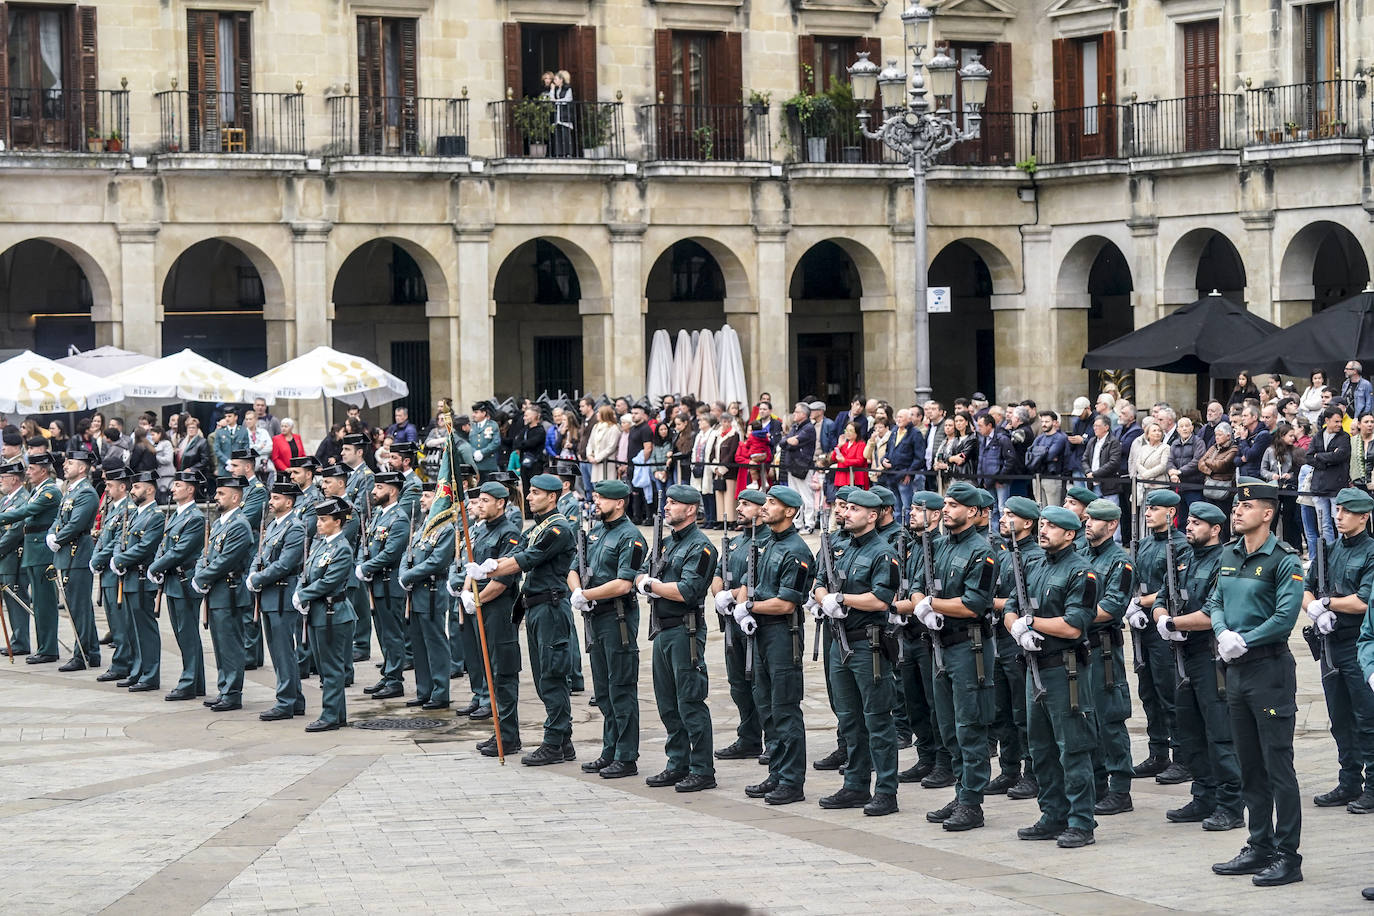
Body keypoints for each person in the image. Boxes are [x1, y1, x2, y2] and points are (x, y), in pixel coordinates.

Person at [1207, 477, 1304, 887]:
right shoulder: (1228, 553)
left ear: (1268, 513)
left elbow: (1284, 618)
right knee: (1249, 765)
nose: (1237, 512)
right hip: (1236, 670)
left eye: (1246, 507)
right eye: (1235, 507)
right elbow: (1214, 600)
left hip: (1269, 670)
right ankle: (1258, 844)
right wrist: (1221, 631)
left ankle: (1288, 855)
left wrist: (1243, 638)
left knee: (1277, 765)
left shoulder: (1284, 559)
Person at [1002, 505, 1099, 848]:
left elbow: (1073, 626)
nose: (1043, 531)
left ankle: (1081, 821)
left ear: (1070, 534)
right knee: (1040, 748)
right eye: (1041, 525)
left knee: (1072, 748)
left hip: (1065, 670)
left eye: (1051, 527)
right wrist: (1016, 627)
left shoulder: (1081, 572)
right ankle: (1052, 814)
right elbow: (1011, 605)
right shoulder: (1032, 564)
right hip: (1033, 665)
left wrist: (1033, 624)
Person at [465, 472, 577, 767]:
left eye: (536, 493)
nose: (528, 497)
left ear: (552, 496)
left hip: (551, 608)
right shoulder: (538, 527)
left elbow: (526, 559)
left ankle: (554, 742)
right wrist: (492, 564)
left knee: (552, 677)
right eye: (530, 492)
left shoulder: (558, 529)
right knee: (544, 678)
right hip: (536, 607)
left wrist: (489, 571)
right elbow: (517, 552)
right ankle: (562, 742)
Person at [910, 481, 996, 832]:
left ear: (973, 512)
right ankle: (962, 792)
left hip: (968, 647)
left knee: (969, 726)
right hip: (939, 645)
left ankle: (972, 802)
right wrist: (921, 604)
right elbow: (917, 584)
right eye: (944, 503)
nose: (946, 509)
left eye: (954, 504)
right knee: (948, 727)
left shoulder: (982, 551)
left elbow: (975, 602)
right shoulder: (937, 545)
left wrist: (933, 604)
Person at [811, 487, 902, 816]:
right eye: (845, 508)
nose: (846, 513)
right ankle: (855, 784)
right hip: (839, 640)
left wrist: (843, 600)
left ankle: (886, 791)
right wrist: (824, 599)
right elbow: (819, 580)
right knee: (849, 719)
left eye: (853, 509)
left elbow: (881, 599)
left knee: (877, 720)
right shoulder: (838, 546)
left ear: (872, 515)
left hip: (868, 644)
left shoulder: (884, 553)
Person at [636, 483, 717, 792]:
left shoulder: (702, 547)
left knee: (690, 701)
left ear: (691, 509)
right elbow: (639, 574)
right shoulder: (666, 542)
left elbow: (688, 591)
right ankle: (677, 763)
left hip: (686, 630)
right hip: (663, 630)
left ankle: (702, 769)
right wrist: (648, 582)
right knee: (667, 703)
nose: (667, 507)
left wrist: (652, 585)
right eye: (666, 502)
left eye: (673, 503)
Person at [737, 486, 813, 806]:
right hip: (761, 634)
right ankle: (778, 773)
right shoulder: (765, 543)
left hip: (783, 634)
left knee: (785, 709)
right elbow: (748, 584)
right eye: (766, 502)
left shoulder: (797, 551)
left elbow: (785, 604)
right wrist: (744, 607)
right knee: (767, 706)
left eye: (772, 503)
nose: (765, 507)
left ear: (791, 512)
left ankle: (792, 781)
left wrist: (750, 609)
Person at [1301, 487, 1374, 812]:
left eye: (1346, 511)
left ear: (1364, 516)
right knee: (1338, 718)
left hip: (1359, 645)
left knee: (1367, 718)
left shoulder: (1371, 552)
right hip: (1330, 644)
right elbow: (1305, 588)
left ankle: (1371, 786)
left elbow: (1363, 601)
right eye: (1338, 510)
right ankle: (1348, 782)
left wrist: (1328, 603)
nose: (1339, 516)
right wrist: (1314, 608)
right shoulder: (1327, 550)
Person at [571, 478, 647, 779]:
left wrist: (586, 595)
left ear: (620, 503)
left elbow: (624, 583)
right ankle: (610, 749)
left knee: (621, 688)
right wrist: (578, 591)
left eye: (602, 498)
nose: (596, 502)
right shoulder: (595, 532)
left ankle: (626, 756)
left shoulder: (631, 536)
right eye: (595, 497)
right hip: (595, 617)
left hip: (618, 620)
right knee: (603, 690)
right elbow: (575, 567)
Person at [451, 480, 524, 751]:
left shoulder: (509, 533)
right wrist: (467, 593)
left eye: (484, 500)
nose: (478, 505)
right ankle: (500, 731)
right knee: (488, 672)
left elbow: (504, 578)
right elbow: (473, 569)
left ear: (501, 503)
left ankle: (509, 737)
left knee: (503, 673)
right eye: (477, 500)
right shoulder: (480, 531)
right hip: (479, 605)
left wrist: (478, 599)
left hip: (499, 610)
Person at [1126, 488, 1192, 784]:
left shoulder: (1180, 545)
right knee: (1148, 691)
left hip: (1165, 625)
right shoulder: (1144, 544)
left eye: (1154, 509)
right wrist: (1132, 604)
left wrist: (1141, 602)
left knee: (1170, 691)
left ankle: (1183, 755)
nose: (1148, 513)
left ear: (1171, 513)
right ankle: (1157, 753)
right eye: (1147, 509)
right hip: (1143, 626)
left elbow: (1175, 588)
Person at [1081, 498, 1136, 817]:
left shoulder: (1120, 562)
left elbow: (1112, 607)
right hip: (1082, 645)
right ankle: (1098, 781)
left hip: (1103, 647)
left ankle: (1120, 788)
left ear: (1112, 525)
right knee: (1087, 716)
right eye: (1086, 518)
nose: (1087, 523)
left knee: (1110, 717)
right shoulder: (1081, 555)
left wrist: (1073, 618)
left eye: (1094, 519)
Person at [987, 496, 1043, 801]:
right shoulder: (1004, 553)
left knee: (1024, 712)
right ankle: (1008, 770)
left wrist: (984, 602)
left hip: (1018, 641)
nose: (1003, 517)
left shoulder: (1034, 556)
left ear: (1027, 523)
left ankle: (1032, 772)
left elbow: (1021, 603)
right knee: (1001, 711)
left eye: (1011, 515)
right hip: (998, 637)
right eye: (1003, 512)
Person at [711, 488, 770, 762]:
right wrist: (720, 596)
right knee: (738, 684)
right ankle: (748, 737)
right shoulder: (734, 543)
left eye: (746, 504)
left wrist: (732, 596)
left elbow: (754, 583)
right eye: (739, 504)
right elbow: (717, 575)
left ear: (762, 509)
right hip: (731, 622)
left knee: (761, 685)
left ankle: (773, 741)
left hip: (755, 622)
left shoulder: (768, 542)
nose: (739, 508)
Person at [293, 496, 358, 732]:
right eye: (318, 519)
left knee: (331, 669)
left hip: (334, 614)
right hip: (319, 613)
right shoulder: (322, 544)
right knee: (325, 667)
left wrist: (304, 595)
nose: (318, 524)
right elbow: (307, 571)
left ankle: (330, 715)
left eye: (323, 519)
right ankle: (337, 714)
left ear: (338, 522)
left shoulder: (341, 549)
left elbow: (329, 582)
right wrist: (301, 591)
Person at [192, 475, 255, 712]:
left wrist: (203, 577)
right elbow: (206, 554)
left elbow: (227, 560)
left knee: (230, 644)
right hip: (217, 590)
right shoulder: (219, 523)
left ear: (236, 497)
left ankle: (233, 692)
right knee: (219, 644)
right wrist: (200, 573)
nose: (216, 497)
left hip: (229, 591)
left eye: (221, 494)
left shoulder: (240, 524)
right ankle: (224, 688)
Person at [247, 481, 308, 721]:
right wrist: (253, 574)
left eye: (276, 498)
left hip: (282, 593)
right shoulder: (273, 525)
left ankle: (286, 701)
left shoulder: (295, 527)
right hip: (270, 594)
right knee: (278, 651)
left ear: (289, 502)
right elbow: (260, 555)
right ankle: (295, 700)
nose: (270, 502)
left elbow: (285, 564)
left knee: (283, 652)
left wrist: (258, 578)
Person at [148, 471, 208, 700]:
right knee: (182, 633)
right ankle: (196, 682)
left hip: (183, 582)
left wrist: (155, 567)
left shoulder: (194, 517)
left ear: (190, 489)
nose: (172, 489)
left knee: (187, 634)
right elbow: (165, 545)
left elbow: (180, 551)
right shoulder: (176, 514)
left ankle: (189, 682)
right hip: (173, 580)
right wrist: (159, 564)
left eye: (178, 485)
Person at [397, 484, 455, 712]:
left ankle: (440, 692)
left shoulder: (446, 529)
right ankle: (424, 690)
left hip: (432, 592)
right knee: (418, 644)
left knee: (435, 643)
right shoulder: (422, 528)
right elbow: (407, 554)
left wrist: (409, 575)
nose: (422, 500)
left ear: (439, 499)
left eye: (427, 496)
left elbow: (437, 561)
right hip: (415, 592)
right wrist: (403, 573)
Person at [356, 471, 411, 700]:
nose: (374, 491)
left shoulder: (399, 518)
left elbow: (391, 553)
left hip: (389, 585)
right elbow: (364, 543)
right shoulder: (378, 515)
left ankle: (395, 679)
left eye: (379, 487)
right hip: (376, 583)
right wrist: (361, 563)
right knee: (381, 633)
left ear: (393, 490)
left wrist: (367, 568)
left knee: (392, 634)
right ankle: (388, 673)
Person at [111, 471, 165, 691]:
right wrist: (117, 558)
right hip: (130, 576)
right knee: (132, 628)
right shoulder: (134, 514)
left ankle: (150, 674)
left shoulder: (156, 515)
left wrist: (120, 560)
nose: (132, 491)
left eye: (136, 487)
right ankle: (137, 670)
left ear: (150, 489)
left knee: (145, 629)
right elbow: (120, 538)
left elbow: (145, 546)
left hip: (142, 577)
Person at [48, 448, 100, 671]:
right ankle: (91, 651)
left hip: (77, 553)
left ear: (82, 467)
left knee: (79, 607)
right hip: (67, 552)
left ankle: (83, 654)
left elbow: (76, 523)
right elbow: (59, 518)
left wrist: (58, 538)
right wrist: (51, 534)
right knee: (76, 606)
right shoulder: (69, 490)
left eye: (70, 462)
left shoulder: (86, 492)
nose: (65, 465)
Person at [90, 468, 132, 679]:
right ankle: (121, 661)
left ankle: (122, 663)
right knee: (113, 620)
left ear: (122, 487)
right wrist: (95, 557)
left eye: (110, 485)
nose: (106, 488)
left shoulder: (128, 508)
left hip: (115, 572)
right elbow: (103, 537)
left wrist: (99, 558)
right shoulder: (113, 508)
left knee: (120, 621)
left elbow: (118, 541)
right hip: (106, 571)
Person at [340, 432, 375, 662]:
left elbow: (361, 509)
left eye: (347, 450)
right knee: (355, 592)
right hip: (347, 535)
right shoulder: (351, 475)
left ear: (359, 452)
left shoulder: (366, 476)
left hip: (357, 537)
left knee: (358, 593)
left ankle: (362, 642)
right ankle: (358, 641)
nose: (342, 453)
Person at [1308, 407, 1351, 543]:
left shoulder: (1344, 437)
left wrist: (1319, 456)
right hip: (1318, 486)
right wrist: (1326, 461)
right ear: (1327, 420)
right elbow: (1308, 457)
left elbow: (1340, 456)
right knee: (1324, 525)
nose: (1339, 424)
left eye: (1340, 422)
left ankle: (1341, 551)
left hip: (1336, 487)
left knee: (1339, 523)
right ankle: (1329, 553)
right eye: (1336, 421)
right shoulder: (1318, 436)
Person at [209, 406, 250, 475]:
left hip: (238, 468)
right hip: (224, 468)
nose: (227, 419)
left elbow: (246, 448)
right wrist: (227, 461)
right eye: (226, 416)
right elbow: (216, 449)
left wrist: (237, 462)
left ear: (236, 417)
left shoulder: (243, 431)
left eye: (229, 416)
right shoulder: (220, 432)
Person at [587, 405, 621, 484]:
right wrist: (589, 455)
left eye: (599, 413)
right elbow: (590, 442)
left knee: (607, 484)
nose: (597, 414)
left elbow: (611, 447)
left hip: (607, 462)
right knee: (596, 485)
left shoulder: (614, 428)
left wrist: (597, 458)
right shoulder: (596, 426)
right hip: (595, 462)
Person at [831, 422, 869, 489]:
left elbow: (860, 461)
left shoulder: (861, 444)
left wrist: (845, 460)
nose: (848, 433)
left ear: (857, 433)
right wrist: (839, 445)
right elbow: (833, 458)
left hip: (854, 478)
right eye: (846, 430)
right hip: (841, 478)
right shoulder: (844, 444)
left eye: (851, 431)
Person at [551, 70, 574, 157]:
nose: (554, 81)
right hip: (557, 116)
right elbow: (551, 98)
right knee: (558, 135)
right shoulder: (557, 90)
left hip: (564, 115)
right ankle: (559, 153)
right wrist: (552, 90)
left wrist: (556, 101)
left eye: (556, 79)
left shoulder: (568, 89)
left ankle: (568, 153)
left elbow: (567, 99)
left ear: (561, 80)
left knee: (566, 135)